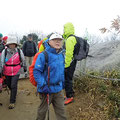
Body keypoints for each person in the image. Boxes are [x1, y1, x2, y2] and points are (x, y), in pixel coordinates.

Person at [33, 33, 67, 120]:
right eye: (55, 40)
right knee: (42, 112)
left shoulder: (61, 55)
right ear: (49, 42)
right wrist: (43, 85)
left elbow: (61, 71)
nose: (58, 42)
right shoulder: (43, 55)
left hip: (58, 89)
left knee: (61, 112)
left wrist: (62, 84)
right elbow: (37, 72)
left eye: (59, 40)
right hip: (46, 90)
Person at [0, 36, 27, 109]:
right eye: (10, 43)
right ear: (8, 44)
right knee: (9, 84)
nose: (12, 45)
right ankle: (13, 93)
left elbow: (23, 59)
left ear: (15, 44)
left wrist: (25, 67)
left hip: (16, 70)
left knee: (13, 85)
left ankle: (12, 101)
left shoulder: (19, 51)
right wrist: (1, 71)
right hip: (7, 70)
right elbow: (2, 62)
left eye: (13, 44)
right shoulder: (4, 51)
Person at [63, 22, 77, 105]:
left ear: (66, 29)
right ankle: (70, 93)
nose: (63, 30)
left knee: (67, 79)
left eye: (64, 29)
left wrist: (66, 66)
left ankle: (69, 96)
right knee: (69, 78)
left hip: (69, 62)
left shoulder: (69, 39)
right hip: (73, 61)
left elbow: (68, 54)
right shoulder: (73, 38)